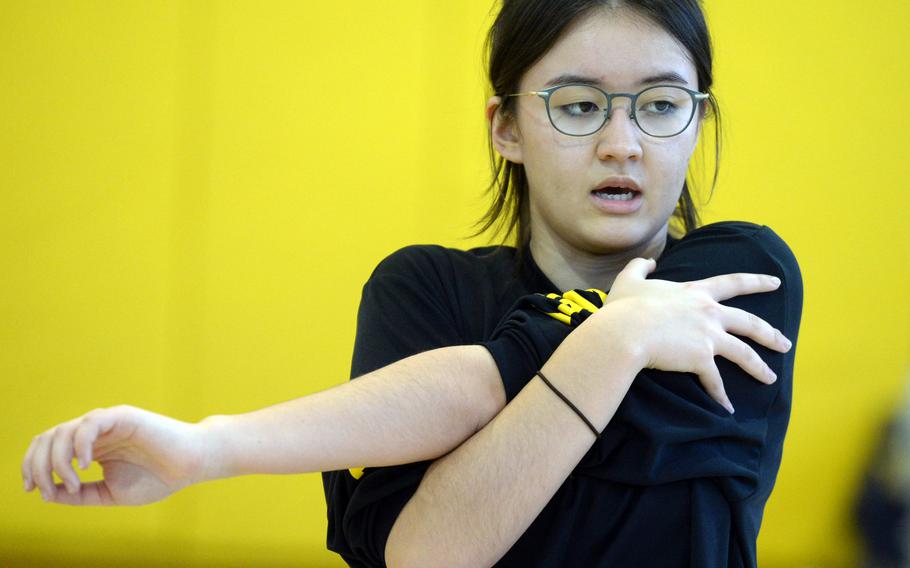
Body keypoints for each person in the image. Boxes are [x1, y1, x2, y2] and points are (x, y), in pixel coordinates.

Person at [21, 0, 802, 567]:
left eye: (661, 105)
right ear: (506, 128)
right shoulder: (424, 291)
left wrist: (213, 447)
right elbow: (432, 553)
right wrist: (621, 337)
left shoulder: (738, 280)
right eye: (579, 106)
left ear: (698, 121)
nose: (621, 144)